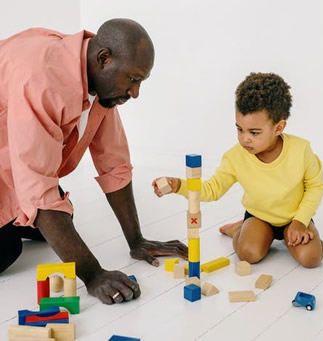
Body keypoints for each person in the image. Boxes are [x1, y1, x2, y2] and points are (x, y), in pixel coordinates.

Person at [0, 18, 187, 305]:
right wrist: (93, 274)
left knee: (61, 216)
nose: (135, 93)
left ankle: (18, 208)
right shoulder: (43, 80)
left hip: (13, 160)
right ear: (104, 59)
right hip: (12, 161)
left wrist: (136, 239)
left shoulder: (97, 80)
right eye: (133, 80)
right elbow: (39, 191)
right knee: (8, 248)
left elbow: (114, 162)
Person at [152, 72, 323, 268]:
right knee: (249, 254)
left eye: (254, 132)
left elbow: (315, 185)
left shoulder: (301, 150)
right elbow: (213, 189)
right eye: (239, 129)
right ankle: (239, 230)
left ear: (279, 127)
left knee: (311, 259)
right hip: (259, 217)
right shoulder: (235, 157)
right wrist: (179, 186)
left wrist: (301, 221)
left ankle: (296, 235)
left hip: (294, 217)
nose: (245, 139)